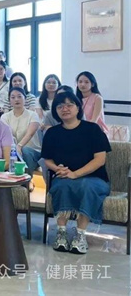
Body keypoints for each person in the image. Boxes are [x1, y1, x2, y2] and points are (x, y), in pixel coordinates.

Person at [41, 91, 111, 254]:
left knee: (86, 185)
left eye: (69, 105)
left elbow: (100, 159)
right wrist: (57, 169)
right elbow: (47, 160)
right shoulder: (52, 133)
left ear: (78, 108)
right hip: (64, 176)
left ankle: (80, 235)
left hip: (95, 178)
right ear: (55, 111)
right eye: (60, 106)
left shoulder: (93, 129)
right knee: (62, 186)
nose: (64, 109)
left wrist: (75, 174)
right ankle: (61, 233)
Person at [1, 88, 42, 190]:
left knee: (25, 150)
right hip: (12, 150)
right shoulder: (5, 117)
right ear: (9, 100)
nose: (16, 99)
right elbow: (7, 135)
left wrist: (19, 146)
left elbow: (30, 134)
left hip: (33, 152)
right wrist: (15, 148)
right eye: (13, 97)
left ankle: (28, 180)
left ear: (25, 99)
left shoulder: (33, 115)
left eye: (19, 96)